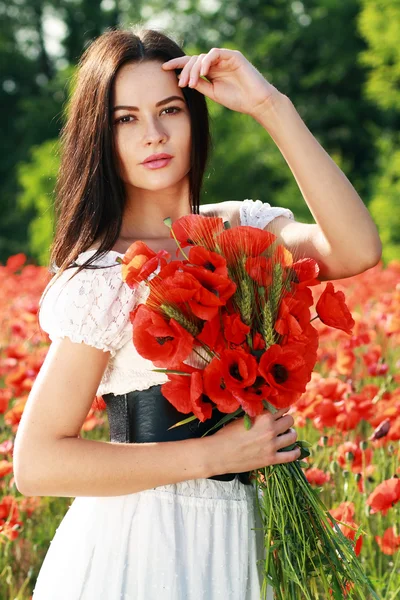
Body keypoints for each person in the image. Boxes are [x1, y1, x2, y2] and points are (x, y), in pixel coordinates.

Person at [13, 25, 382, 600]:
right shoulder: (110, 274)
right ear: (100, 135)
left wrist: (270, 106)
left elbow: (357, 249)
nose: (154, 135)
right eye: (125, 119)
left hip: (235, 536)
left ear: (196, 117)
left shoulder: (241, 231)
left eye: (170, 110)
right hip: (135, 546)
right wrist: (214, 453)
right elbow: (37, 462)